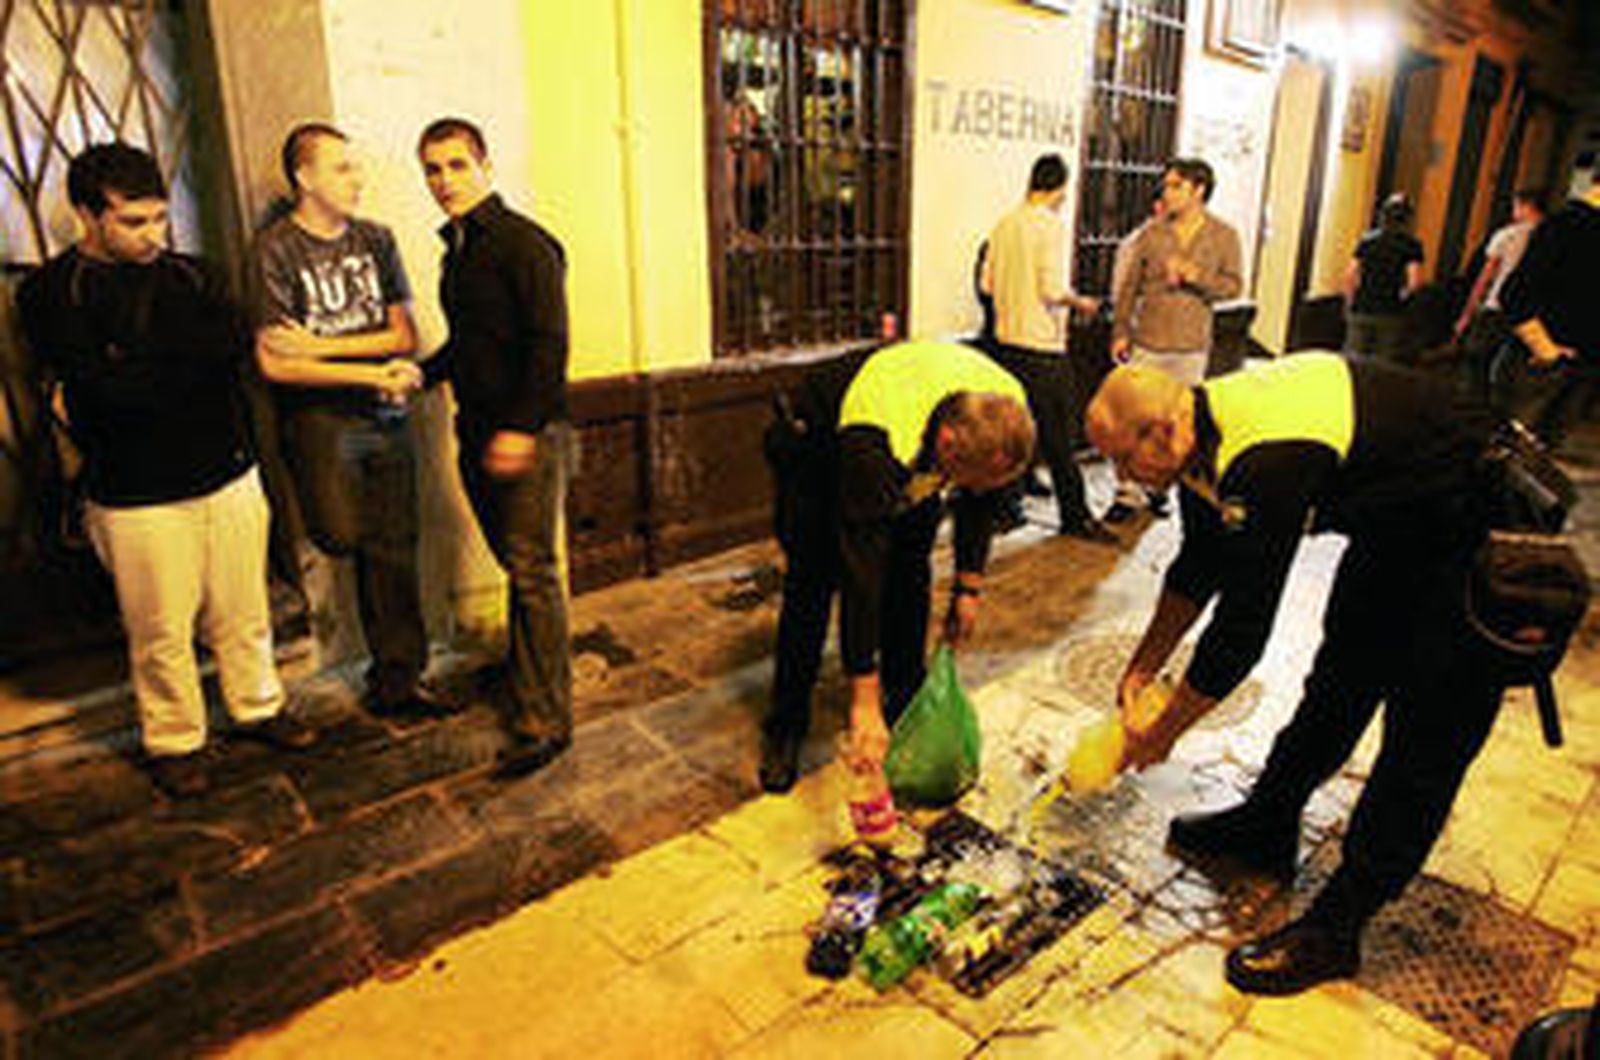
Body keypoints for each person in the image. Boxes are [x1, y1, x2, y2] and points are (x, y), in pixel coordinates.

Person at [1086, 352, 1503, 996]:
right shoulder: (1199, 441)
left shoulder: (1266, 460)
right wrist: (1143, 668)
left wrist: (1164, 731)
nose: (1118, 475)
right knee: (1341, 678)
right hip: (1398, 527)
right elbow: (1199, 566)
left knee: (1424, 737)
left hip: (1476, 526)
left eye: (1120, 458)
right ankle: (1267, 824)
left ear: (1164, 432)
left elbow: (1242, 631)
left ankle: (1339, 927)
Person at [17, 143, 317, 798]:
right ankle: (175, 739)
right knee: (159, 629)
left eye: (159, 218)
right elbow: (104, 392)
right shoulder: (51, 293)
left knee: (244, 610)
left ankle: (259, 703)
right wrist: (182, 364)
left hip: (228, 472)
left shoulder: (195, 275)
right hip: (134, 493)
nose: (153, 235)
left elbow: (231, 349)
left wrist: (144, 368)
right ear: (87, 215)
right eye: (134, 222)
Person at [759, 340, 1035, 793]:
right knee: (815, 581)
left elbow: (981, 499)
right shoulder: (879, 436)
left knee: (910, 575)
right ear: (948, 445)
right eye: (962, 478)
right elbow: (862, 572)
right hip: (819, 442)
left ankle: (904, 701)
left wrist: (968, 588)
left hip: (914, 453)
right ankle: (786, 724)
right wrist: (861, 697)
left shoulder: (1008, 412)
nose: (965, 490)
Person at [252, 123, 447, 720]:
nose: (357, 178)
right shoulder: (276, 249)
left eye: (354, 166)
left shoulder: (376, 239)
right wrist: (365, 370)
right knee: (338, 534)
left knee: (394, 546)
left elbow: (404, 335)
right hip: (320, 422)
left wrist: (313, 347)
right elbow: (272, 363)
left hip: (383, 418)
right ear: (304, 178)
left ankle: (398, 678)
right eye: (341, 168)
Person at [418, 116, 574, 778]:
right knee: (520, 566)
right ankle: (530, 677)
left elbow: (549, 344)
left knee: (533, 571)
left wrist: (522, 428)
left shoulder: (524, 245)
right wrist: (421, 374)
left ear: (485, 165)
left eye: (456, 165)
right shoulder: (456, 252)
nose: (444, 180)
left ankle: (546, 720)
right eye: (432, 168)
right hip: (477, 430)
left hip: (528, 437)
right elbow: (468, 345)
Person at [980, 153, 1110, 543]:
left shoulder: (1004, 224)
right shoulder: (1050, 227)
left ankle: (1004, 511)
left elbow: (987, 285)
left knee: (1010, 435)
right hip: (1041, 347)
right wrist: (1081, 303)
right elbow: (1052, 290)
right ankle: (1076, 517)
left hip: (1005, 345)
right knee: (1058, 439)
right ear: (1060, 188)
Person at [1106, 157, 1242, 524]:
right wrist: (1120, 331)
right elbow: (1129, 288)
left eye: (1175, 185)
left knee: (1177, 423)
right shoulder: (1152, 234)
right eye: (1167, 185)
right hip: (1148, 340)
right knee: (1135, 419)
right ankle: (1126, 493)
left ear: (1199, 191)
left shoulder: (1224, 236)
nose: (1167, 192)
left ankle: (1159, 488)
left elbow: (1233, 286)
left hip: (1190, 344)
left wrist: (1196, 276)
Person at [1495, 174, 1600, 448]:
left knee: (1537, 464)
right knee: (1504, 459)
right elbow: (1514, 295)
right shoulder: (1566, 224)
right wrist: (1548, 352)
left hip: (1579, 368)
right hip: (1538, 365)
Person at [1452, 188, 1546, 403]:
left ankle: (1474, 415)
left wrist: (1467, 314)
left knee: (1477, 367)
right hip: (1532, 317)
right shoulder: (1554, 238)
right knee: (1514, 374)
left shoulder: (1507, 235)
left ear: (1525, 206)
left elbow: (1485, 278)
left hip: (1497, 309)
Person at [1343, 192, 1423, 361]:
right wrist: (1402, 296)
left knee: (1352, 362)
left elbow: (1350, 274)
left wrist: (1350, 301)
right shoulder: (1411, 246)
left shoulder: (1367, 240)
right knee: (1380, 367)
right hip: (1389, 312)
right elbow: (1414, 282)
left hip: (1362, 307)